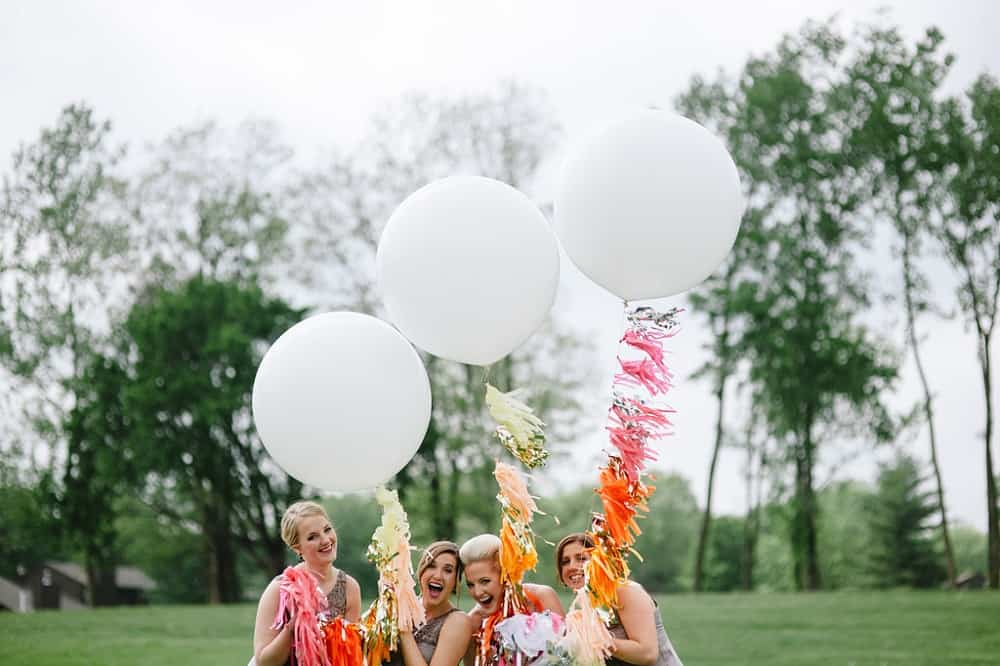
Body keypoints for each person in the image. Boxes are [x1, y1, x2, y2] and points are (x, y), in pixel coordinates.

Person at [253, 501, 362, 666]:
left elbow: (350, 657)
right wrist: (293, 627)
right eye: (312, 537)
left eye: (327, 529)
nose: (325, 540)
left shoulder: (349, 588)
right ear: (298, 548)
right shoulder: (280, 589)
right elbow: (264, 662)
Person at [555, 533, 683, 666]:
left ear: (600, 560)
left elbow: (648, 654)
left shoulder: (625, 591)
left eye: (581, 558)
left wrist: (599, 640)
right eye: (565, 562)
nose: (571, 566)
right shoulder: (585, 604)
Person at [460, 533, 564, 664]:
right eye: (470, 584)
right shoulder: (473, 622)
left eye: (485, 581)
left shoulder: (541, 597)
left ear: (505, 575)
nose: (477, 592)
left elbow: (568, 655)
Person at [389, 541, 473, 666]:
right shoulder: (399, 606)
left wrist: (404, 631)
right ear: (421, 571)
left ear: (456, 581)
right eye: (432, 566)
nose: (438, 576)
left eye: (448, 570)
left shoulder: (458, 621)